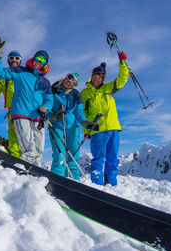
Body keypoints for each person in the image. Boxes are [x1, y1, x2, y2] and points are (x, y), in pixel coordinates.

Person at [0, 35, 53, 165]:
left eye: (42, 60)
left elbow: (49, 99)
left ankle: (36, 173)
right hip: (21, 114)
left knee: (39, 149)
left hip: (38, 117)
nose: (38, 61)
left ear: (45, 64)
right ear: (33, 58)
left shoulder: (45, 82)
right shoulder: (20, 71)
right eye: (37, 58)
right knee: (28, 148)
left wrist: (45, 107)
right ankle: (27, 171)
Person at [80, 52, 129, 186]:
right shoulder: (84, 93)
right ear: (92, 76)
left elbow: (123, 78)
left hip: (113, 128)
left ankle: (112, 185)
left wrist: (122, 62)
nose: (96, 78)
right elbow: (82, 112)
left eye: (99, 76)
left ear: (103, 78)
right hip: (97, 130)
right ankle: (97, 186)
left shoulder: (109, 88)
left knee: (112, 160)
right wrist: (86, 128)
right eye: (95, 76)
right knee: (98, 160)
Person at [48, 73, 99, 181]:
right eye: (69, 78)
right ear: (66, 77)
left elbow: (78, 112)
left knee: (74, 157)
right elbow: (47, 106)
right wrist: (53, 116)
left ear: (74, 85)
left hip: (72, 128)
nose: (70, 82)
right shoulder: (53, 90)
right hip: (57, 127)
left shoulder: (75, 94)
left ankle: (73, 182)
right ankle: (56, 181)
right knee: (59, 155)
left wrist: (86, 122)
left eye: (74, 82)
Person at [0, 50, 22, 158]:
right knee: (13, 138)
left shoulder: (25, 75)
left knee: (27, 137)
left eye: (17, 58)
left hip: (26, 110)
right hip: (12, 111)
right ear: (8, 60)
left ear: (20, 61)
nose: (14, 60)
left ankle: (30, 159)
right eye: (11, 58)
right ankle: (17, 160)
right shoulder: (3, 78)